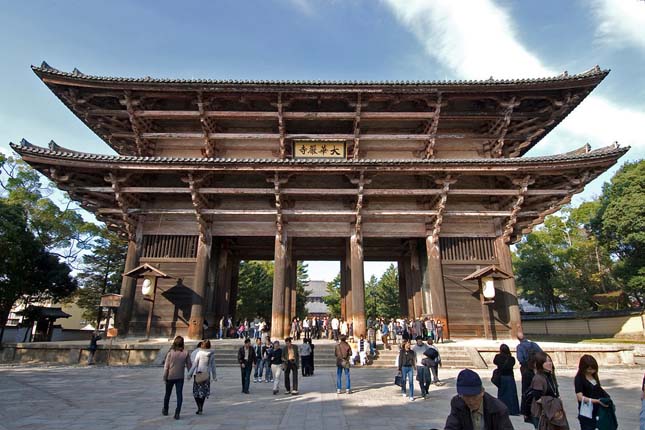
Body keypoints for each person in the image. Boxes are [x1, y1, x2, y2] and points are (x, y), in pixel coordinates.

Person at [443, 369, 514, 430]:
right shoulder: (457, 403)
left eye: (474, 397)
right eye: (466, 397)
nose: (471, 401)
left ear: (482, 391)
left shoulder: (498, 409)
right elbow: (451, 427)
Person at [575, 354, 613, 430]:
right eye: (589, 369)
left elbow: (598, 389)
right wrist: (596, 401)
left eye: (593, 369)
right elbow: (579, 397)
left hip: (597, 409)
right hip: (587, 410)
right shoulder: (579, 378)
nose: (591, 371)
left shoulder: (593, 376)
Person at [529, 352, 561, 429]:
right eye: (546, 362)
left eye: (550, 361)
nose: (549, 363)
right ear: (540, 364)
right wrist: (553, 402)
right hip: (542, 413)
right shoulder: (538, 378)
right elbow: (538, 399)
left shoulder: (550, 375)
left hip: (552, 411)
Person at [163, 336, 192, 420]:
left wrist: (164, 377)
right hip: (180, 377)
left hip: (170, 376)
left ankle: (165, 409)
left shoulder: (170, 353)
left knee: (167, 394)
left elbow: (166, 367)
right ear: (182, 343)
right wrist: (190, 375)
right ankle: (177, 412)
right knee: (179, 395)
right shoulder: (185, 353)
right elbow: (189, 365)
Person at [517, 330, 542, 423]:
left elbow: (520, 358)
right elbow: (541, 353)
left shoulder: (520, 347)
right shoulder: (534, 344)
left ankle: (527, 411)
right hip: (537, 369)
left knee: (526, 390)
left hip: (527, 369)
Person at [187, 339, 216, 415]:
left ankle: (199, 407)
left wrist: (189, 374)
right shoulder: (212, 354)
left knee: (195, 391)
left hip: (199, 374)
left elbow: (195, 364)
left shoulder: (199, 353)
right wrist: (214, 376)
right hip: (207, 374)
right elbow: (213, 366)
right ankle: (201, 407)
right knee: (203, 392)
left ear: (203, 345)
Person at [493, 344, 520, 416]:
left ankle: (502, 409)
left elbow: (495, 362)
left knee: (502, 394)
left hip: (501, 377)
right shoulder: (511, 359)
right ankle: (513, 410)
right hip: (509, 377)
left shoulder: (498, 357)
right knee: (512, 395)